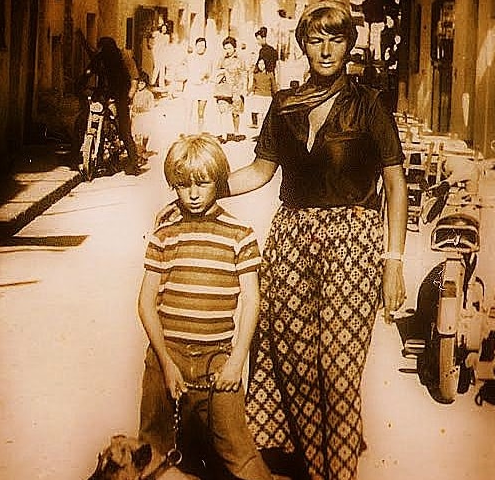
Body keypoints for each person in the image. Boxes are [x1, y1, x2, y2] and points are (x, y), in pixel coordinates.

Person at [156, 1, 407, 478]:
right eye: (316, 39)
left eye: (336, 39)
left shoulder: (369, 105)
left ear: (349, 45)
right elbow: (259, 172)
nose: (326, 49)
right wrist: (203, 186)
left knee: (338, 366)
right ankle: (315, 465)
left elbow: (395, 183)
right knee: (291, 362)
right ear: (304, 45)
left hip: (353, 244)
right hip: (291, 240)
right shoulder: (285, 105)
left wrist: (393, 261)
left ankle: (338, 470)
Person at [137, 134, 273, 480]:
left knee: (238, 454)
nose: (193, 194)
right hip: (166, 357)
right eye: (182, 185)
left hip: (217, 361)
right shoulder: (164, 234)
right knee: (152, 453)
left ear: (219, 181)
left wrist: (236, 361)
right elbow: (146, 303)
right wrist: (166, 364)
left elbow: (251, 300)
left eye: (203, 182)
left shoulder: (239, 234)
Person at [81, 37, 141, 175]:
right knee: (83, 120)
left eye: (104, 48)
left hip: (121, 95)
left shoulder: (123, 57)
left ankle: (134, 162)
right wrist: (81, 84)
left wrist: (130, 95)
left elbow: (134, 78)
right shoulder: (100, 58)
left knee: (124, 131)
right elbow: (88, 72)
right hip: (103, 94)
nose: (102, 51)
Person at [214, 37, 248, 143]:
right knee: (223, 111)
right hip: (224, 89)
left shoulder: (240, 59)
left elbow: (244, 73)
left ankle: (236, 132)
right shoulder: (222, 59)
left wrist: (244, 88)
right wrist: (223, 72)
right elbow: (216, 73)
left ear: (234, 47)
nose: (227, 51)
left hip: (236, 89)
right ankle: (224, 135)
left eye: (229, 48)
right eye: (225, 48)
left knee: (235, 112)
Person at [183, 37, 214, 133]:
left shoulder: (208, 59)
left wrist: (205, 75)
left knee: (201, 112)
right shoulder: (189, 57)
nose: (201, 47)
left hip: (203, 87)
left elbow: (209, 73)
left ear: (205, 47)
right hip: (191, 86)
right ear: (195, 46)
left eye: (203, 46)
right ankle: (187, 132)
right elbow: (182, 69)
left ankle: (199, 133)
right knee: (188, 111)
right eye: (199, 45)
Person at [247, 57, 277, 133]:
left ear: (266, 64)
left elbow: (274, 86)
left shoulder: (270, 74)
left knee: (266, 116)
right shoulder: (256, 74)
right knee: (259, 115)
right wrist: (248, 91)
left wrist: (276, 95)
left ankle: (266, 132)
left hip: (267, 97)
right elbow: (254, 85)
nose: (261, 66)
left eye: (263, 64)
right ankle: (260, 132)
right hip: (258, 96)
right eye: (259, 64)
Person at [131, 72, 155, 156]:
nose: (139, 85)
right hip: (136, 117)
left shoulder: (148, 94)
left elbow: (151, 107)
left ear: (145, 84)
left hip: (144, 117)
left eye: (142, 83)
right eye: (138, 83)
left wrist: (144, 109)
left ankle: (144, 148)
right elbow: (132, 104)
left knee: (145, 135)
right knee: (137, 135)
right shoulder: (135, 93)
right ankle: (138, 152)